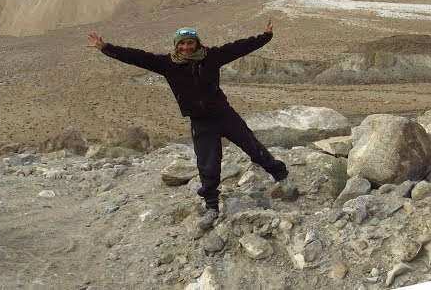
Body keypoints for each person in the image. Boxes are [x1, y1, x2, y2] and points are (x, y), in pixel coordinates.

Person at [87, 21, 296, 228]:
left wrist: (265, 36)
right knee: (208, 164)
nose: (186, 47)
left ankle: (282, 177)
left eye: (190, 43)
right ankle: (212, 207)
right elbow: (137, 57)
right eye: (182, 44)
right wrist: (106, 48)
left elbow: (240, 47)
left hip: (224, 114)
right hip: (201, 122)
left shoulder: (211, 56)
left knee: (253, 147)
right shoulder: (167, 63)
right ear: (176, 45)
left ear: (196, 43)